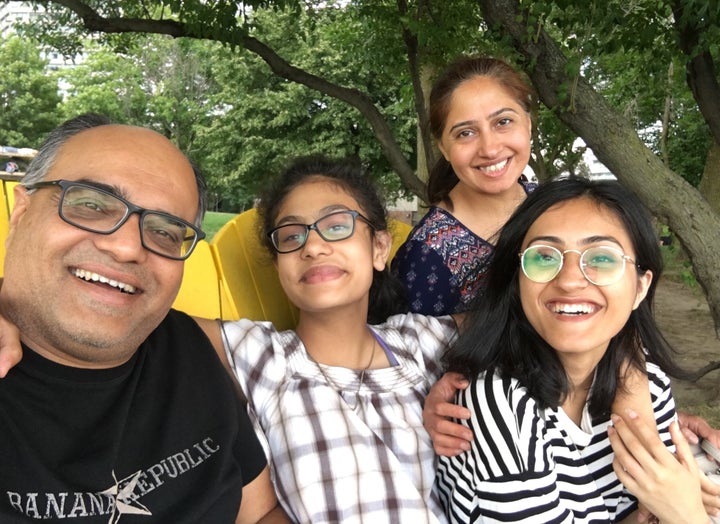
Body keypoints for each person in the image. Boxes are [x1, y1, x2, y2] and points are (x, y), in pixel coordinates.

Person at [0, 114, 287, 523]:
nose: (126, 248)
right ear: (20, 213)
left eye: (166, 231)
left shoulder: (184, 345)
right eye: (92, 204)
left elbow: (261, 514)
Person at [433, 177, 717, 522]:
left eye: (601, 257)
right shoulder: (499, 401)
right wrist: (687, 514)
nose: (569, 280)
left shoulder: (650, 387)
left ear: (640, 288)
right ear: (517, 279)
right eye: (544, 257)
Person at [196, 156, 459, 523]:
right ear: (278, 268)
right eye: (291, 236)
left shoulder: (421, 343)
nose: (313, 246)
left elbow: (531, 316)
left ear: (379, 248)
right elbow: (144, 319)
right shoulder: (261, 356)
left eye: (337, 226)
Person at [392, 56, 537, 315]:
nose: (490, 148)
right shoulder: (426, 257)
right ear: (444, 149)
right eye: (465, 133)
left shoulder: (553, 205)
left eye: (503, 122)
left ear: (528, 123)